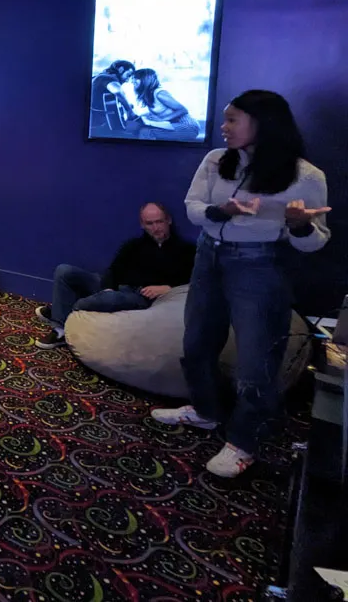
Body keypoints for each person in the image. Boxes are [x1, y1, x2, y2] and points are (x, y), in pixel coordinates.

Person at [152, 90, 330, 478]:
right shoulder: (216, 161)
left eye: (232, 119)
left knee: (257, 360)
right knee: (196, 342)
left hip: (261, 265)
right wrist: (224, 210)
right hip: (208, 255)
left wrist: (300, 226)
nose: (223, 127)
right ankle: (205, 410)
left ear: (263, 123)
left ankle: (244, 442)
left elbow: (317, 241)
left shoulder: (306, 176)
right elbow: (194, 209)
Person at [35, 202, 196, 349]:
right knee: (64, 270)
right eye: (150, 223)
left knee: (111, 299)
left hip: (139, 295)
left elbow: (194, 280)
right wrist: (108, 288)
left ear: (168, 221)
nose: (156, 228)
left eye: (159, 222)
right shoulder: (133, 245)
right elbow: (113, 270)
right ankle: (60, 324)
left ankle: (60, 315)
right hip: (115, 287)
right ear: (143, 225)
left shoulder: (185, 250)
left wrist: (167, 288)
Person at [128, 69, 201, 140]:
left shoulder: (160, 94)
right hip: (174, 125)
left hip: (187, 126)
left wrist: (162, 119)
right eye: (133, 78)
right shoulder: (149, 94)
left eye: (136, 78)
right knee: (140, 129)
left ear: (145, 79)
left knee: (146, 132)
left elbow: (183, 110)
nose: (132, 81)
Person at [90, 60, 137, 135]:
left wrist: (125, 104)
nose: (128, 80)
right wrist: (129, 110)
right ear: (121, 69)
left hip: (94, 126)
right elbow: (117, 91)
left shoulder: (97, 77)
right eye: (128, 75)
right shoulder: (108, 77)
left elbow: (109, 101)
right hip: (102, 127)